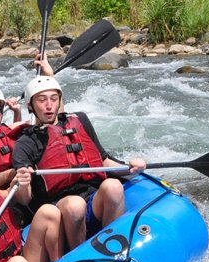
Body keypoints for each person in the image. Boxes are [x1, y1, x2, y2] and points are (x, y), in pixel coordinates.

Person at [12, 76, 146, 251]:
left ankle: (115, 247)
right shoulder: (25, 142)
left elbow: (103, 160)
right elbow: (24, 199)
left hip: (92, 199)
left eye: (53, 98)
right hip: (60, 208)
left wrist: (131, 168)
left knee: (113, 186)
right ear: (30, 105)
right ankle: (81, 257)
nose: (48, 105)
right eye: (41, 100)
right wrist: (23, 184)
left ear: (60, 100)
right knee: (75, 205)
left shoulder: (80, 120)